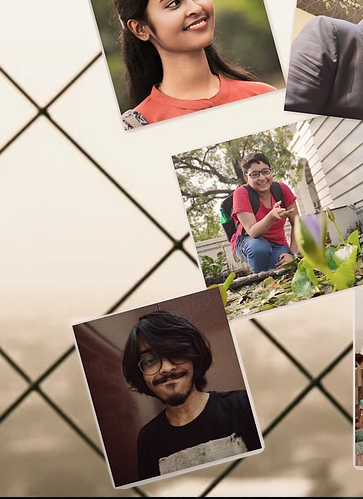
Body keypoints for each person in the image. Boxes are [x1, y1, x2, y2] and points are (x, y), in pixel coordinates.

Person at [111, 0, 276, 129]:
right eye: (174, 3)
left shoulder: (262, 96)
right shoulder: (138, 126)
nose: (196, 8)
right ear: (140, 28)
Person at [121, 310, 262, 481]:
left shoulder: (244, 405)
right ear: (141, 376)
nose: (166, 368)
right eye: (150, 361)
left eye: (175, 353)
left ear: (194, 358)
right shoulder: (147, 439)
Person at [229, 152, 300, 274]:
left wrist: (292, 254)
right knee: (260, 249)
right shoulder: (241, 193)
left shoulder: (281, 189)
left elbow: (297, 223)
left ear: (271, 171)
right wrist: (272, 215)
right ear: (246, 178)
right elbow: (253, 232)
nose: (262, 178)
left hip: (278, 243)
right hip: (248, 241)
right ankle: (257, 278)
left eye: (265, 172)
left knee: (280, 272)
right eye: (255, 174)